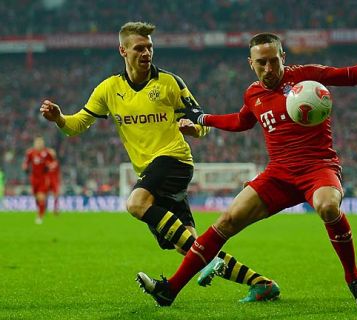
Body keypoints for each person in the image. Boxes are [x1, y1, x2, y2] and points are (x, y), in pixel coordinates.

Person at [143, 13, 357, 310]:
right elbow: (241, 122)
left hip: (318, 167)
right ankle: (170, 289)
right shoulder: (253, 93)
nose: (269, 68)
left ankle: (354, 280)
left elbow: (355, 75)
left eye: (274, 60)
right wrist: (203, 118)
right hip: (279, 174)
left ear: (283, 57)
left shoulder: (307, 76)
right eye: (262, 62)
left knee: (327, 206)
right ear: (251, 63)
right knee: (226, 221)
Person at [40, 21, 279, 304]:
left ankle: (199, 270)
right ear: (123, 50)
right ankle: (261, 283)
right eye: (139, 48)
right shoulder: (108, 89)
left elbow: (200, 121)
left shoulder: (170, 83)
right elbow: (76, 124)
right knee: (189, 246)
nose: (146, 53)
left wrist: (195, 128)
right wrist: (59, 119)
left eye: (149, 48)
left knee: (136, 204)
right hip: (149, 170)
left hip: (175, 159)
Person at [22, 137, 55, 224]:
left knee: (41, 196)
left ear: (43, 144)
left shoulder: (47, 153)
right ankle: (43, 207)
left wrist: (49, 167)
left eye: (40, 143)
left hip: (43, 178)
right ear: (34, 144)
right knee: (36, 197)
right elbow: (26, 162)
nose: (39, 144)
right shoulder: (30, 153)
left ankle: (40, 216)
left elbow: (54, 163)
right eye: (37, 143)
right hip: (33, 178)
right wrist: (25, 167)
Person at [46, 149, 61, 214]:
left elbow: (58, 173)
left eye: (53, 153)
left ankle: (55, 209)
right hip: (47, 180)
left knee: (56, 195)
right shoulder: (46, 162)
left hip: (54, 181)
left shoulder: (56, 162)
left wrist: (58, 181)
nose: (52, 154)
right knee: (45, 195)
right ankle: (44, 208)